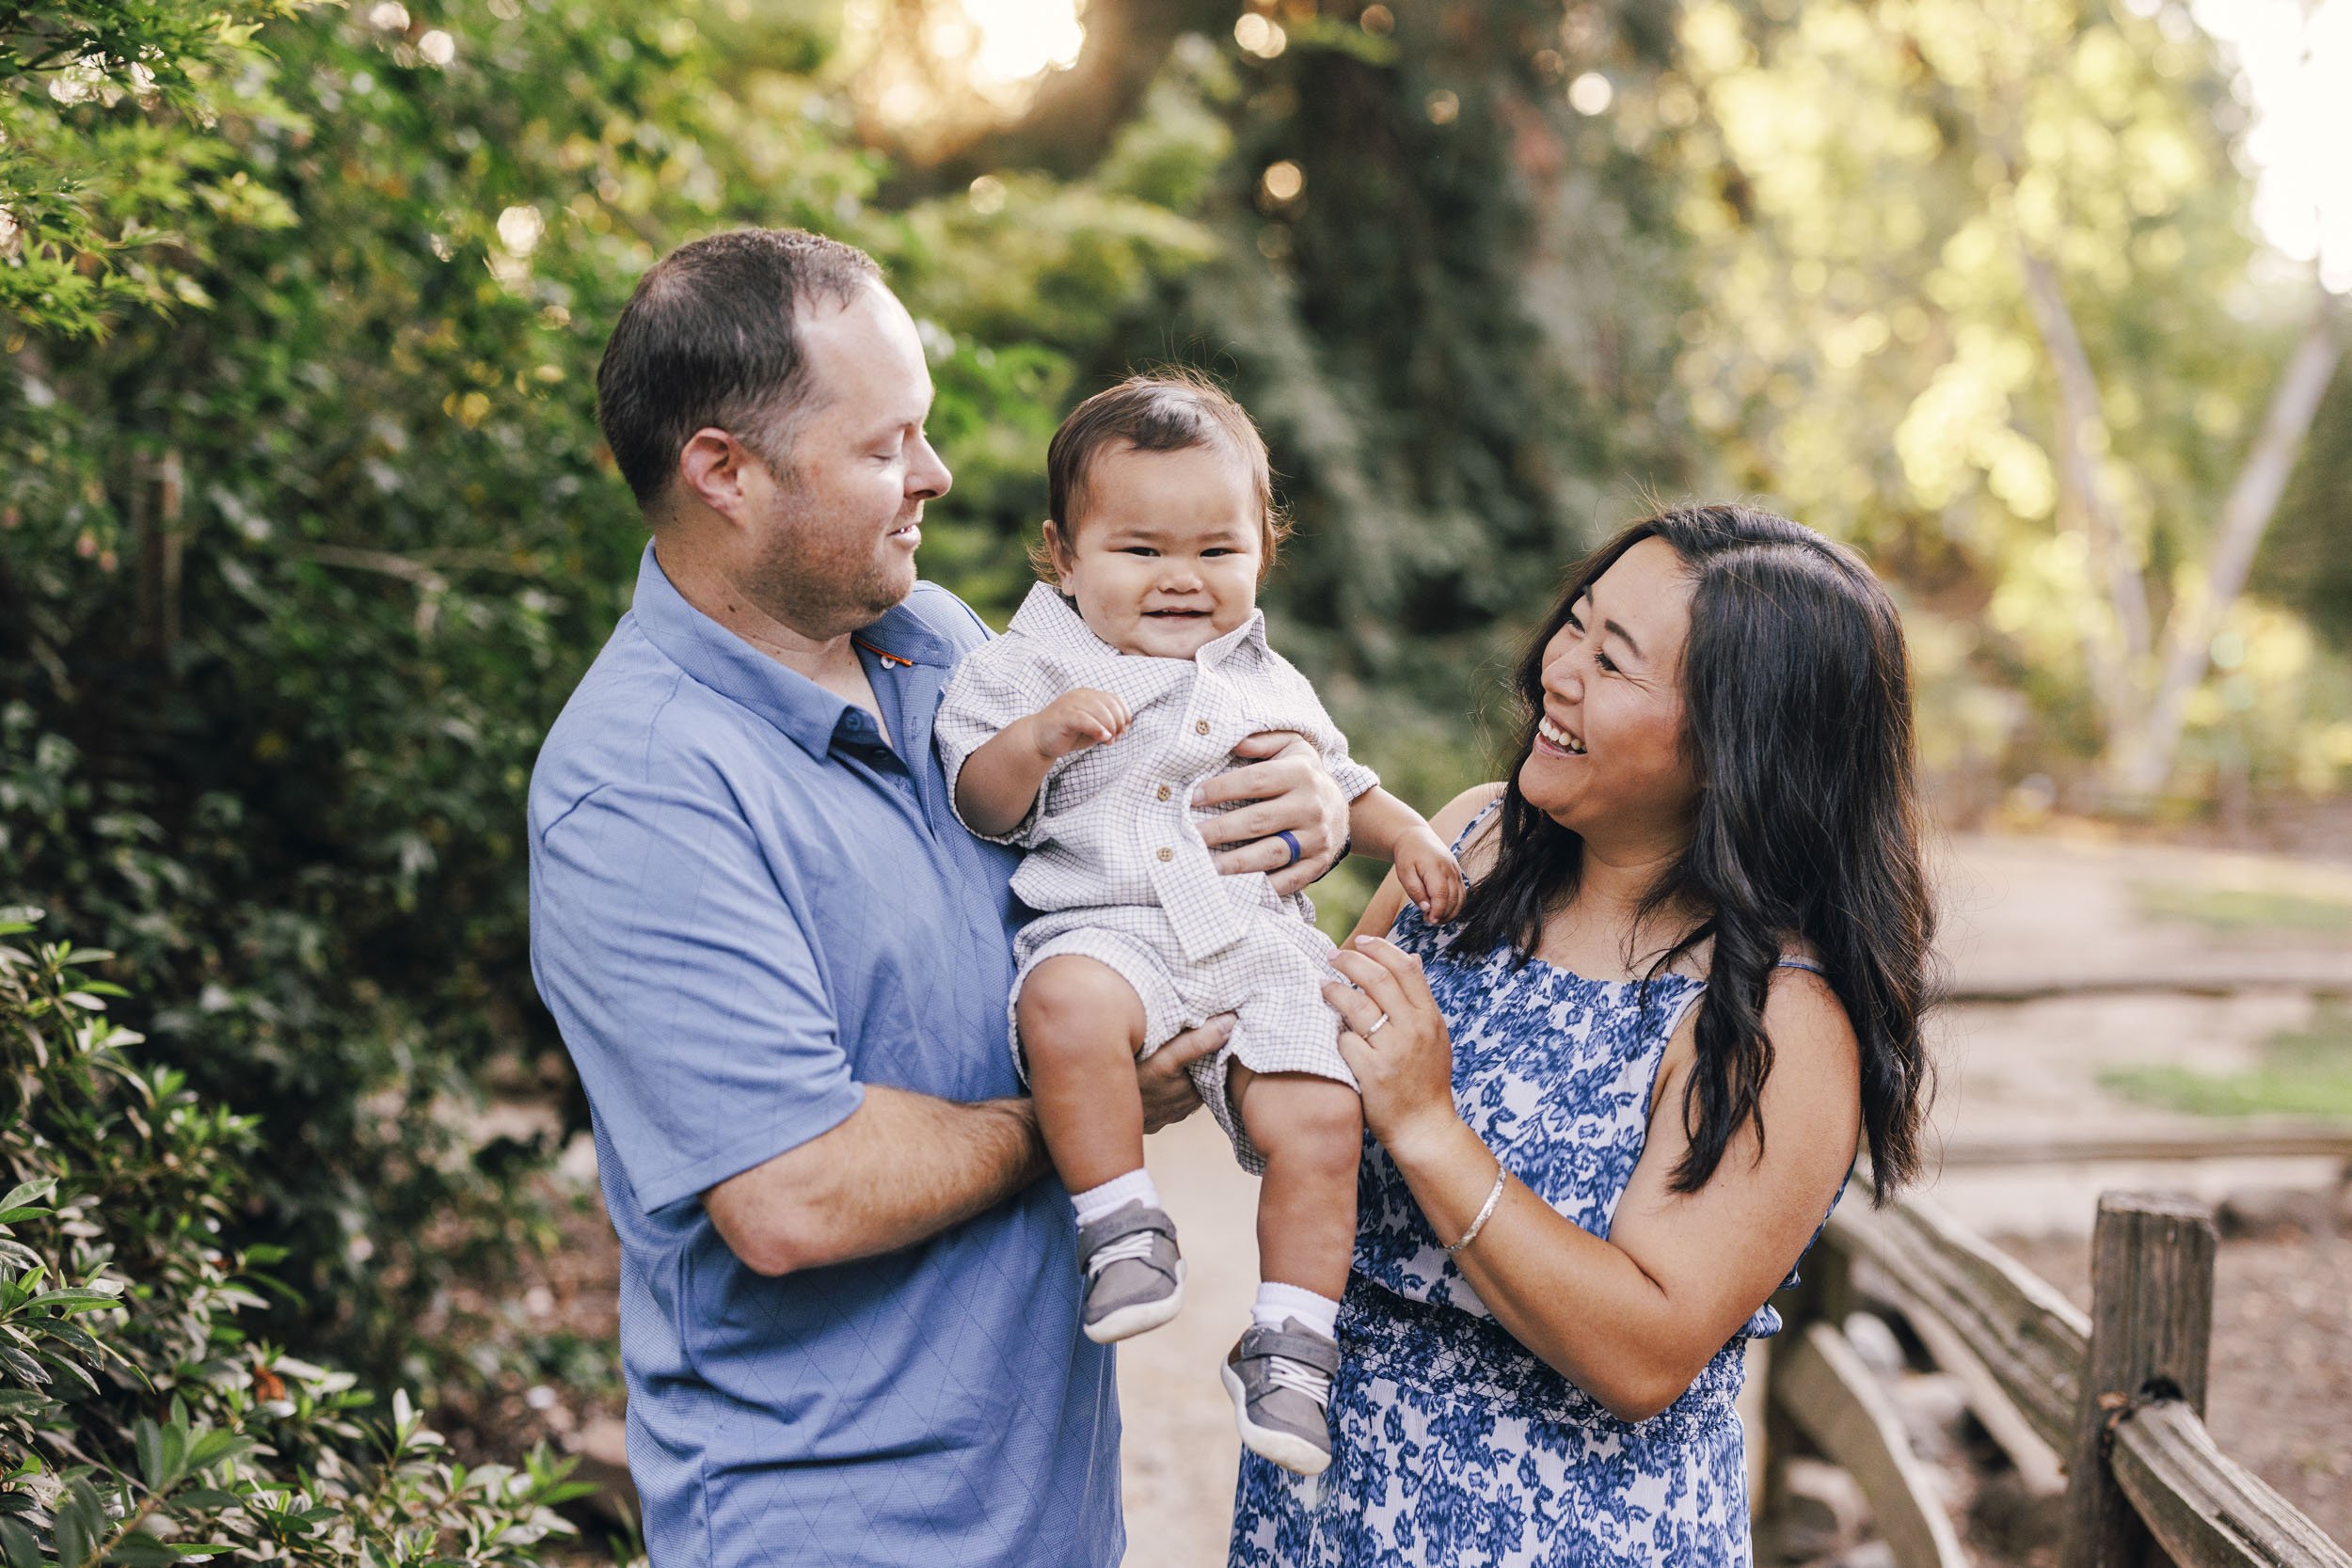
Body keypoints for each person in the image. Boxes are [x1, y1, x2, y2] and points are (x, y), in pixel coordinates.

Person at [526, 228, 1350, 1568]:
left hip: (1054, 1518)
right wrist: (1093, 1116)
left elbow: (1150, 831)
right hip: (841, 1527)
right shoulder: (640, 785)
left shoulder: (948, 648)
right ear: (723, 472)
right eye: (883, 443)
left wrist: (1307, 792)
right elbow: (792, 1192)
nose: (936, 472)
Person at [1229, 504, 1936, 1565]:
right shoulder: (1467, 841)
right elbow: (1303, 1093)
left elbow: (1646, 1350)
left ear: (1734, 745)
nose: (1557, 669)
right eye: (1578, 623)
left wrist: (1430, 1125)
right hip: (1320, 1504)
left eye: (1613, 661)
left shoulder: (1777, 1013)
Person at [934, 373, 1466, 1479]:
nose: (1181, 579)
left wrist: (1403, 828)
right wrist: (1035, 742)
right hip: (1113, 926)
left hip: (1254, 945)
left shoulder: (1268, 677)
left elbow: (1340, 779)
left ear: (1262, 552)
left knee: (1326, 1109)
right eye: (1139, 550)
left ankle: (1290, 1340)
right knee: (1060, 1003)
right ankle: (1120, 1218)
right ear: (1062, 554)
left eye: (1215, 551)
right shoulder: (1021, 669)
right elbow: (980, 801)